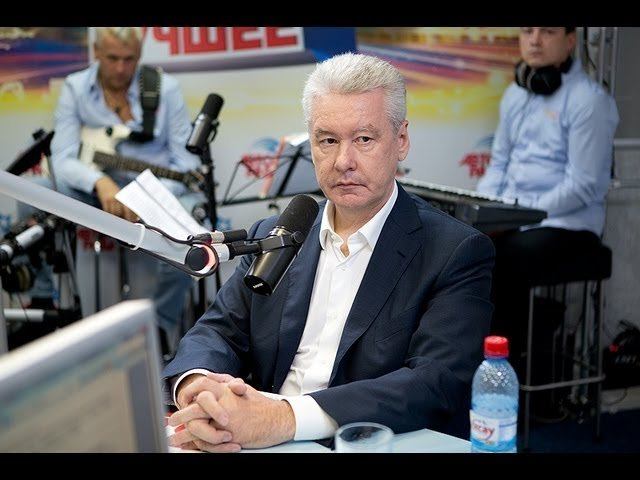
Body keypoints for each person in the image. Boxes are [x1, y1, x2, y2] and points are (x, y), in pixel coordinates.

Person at [161, 53, 496, 452]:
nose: (343, 162)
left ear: (401, 140)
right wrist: (200, 388)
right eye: (328, 141)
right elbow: (218, 331)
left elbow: (434, 382)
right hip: (253, 438)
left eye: (364, 139)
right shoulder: (276, 235)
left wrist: (282, 418)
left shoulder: (455, 251)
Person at [17, 27, 201, 354]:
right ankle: (42, 298)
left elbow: (185, 163)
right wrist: (99, 182)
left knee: (193, 234)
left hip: (152, 189)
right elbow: (62, 158)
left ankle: (158, 328)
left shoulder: (165, 89)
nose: (120, 68)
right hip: (94, 189)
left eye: (129, 59)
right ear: (97, 53)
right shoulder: (76, 87)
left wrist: (145, 196)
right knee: (30, 193)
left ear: (139, 55)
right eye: (112, 58)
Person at [476, 27, 619, 379]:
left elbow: (583, 186)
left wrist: (520, 214)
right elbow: (499, 164)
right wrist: (485, 211)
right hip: (519, 219)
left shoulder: (589, 101)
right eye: (527, 30)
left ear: (570, 41)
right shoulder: (515, 94)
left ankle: (503, 377)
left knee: (504, 259)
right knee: (465, 247)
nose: (535, 40)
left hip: (568, 225)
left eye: (548, 31)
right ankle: (470, 369)